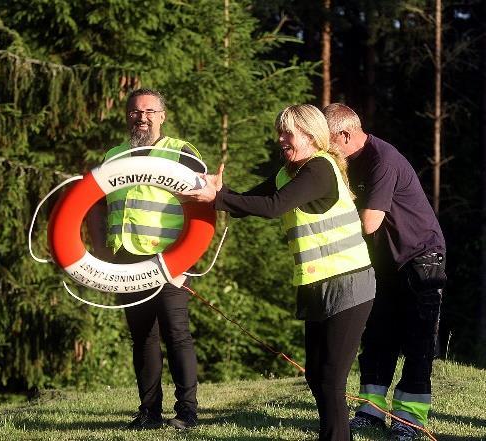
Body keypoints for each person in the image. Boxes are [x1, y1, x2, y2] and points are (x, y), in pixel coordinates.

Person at [182, 104, 375, 441]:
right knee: (316, 376)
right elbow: (247, 204)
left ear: (311, 136)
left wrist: (220, 198)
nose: (281, 139)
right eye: (280, 132)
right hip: (316, 285)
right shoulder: (289, 172)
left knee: (330, 378)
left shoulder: (319, 169)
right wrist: (219, 192)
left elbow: (273, 208)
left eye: (289, 133)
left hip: (350, 282)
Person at [323, 103, 447, 441]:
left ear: (344, 135)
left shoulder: (383, 160)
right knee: (378, 336)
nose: (323, 149)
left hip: (420, 258)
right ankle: (371, 412)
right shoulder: (349, 160)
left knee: (418, 340)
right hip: (383, 260)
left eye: (326, 141)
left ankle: (409, 420)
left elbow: (369, 221)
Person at [87, 88, 202, 431]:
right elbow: (95, 202)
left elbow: (203, 204)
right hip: (126, 259)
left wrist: (185, 259)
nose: (143, 117)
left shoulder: (180, 152)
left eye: (150, 111)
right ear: (128, 116)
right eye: (136, 112)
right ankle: (149, 412)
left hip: (169, 258)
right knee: (143, 338)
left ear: (162, 116)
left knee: (176, 333)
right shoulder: (114, 155)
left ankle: (187, 413)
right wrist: (101, 249)